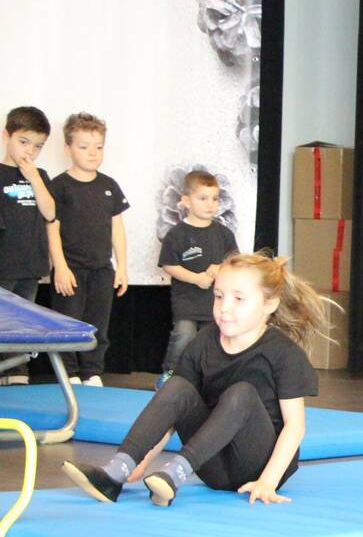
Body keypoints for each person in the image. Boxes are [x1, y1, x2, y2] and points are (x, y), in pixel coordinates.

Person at [63, 251, 325, 507]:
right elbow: (172, 409)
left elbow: (294, 427)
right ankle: (116, 472)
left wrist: (268, 481)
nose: (224, 308)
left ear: (270, 304)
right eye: (219, 296)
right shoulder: (203, 342)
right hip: (213, 466)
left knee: (242, 393)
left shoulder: (284, 352)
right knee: (177, 386)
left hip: (259, 464)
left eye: (238, 299)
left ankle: (175, 472)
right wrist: (142, 459)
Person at [47, 112, 129, 385]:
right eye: (84, 146)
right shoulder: (59, 186)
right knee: (67, 322)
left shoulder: (109, 186)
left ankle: (92, 371)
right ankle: (69, 373)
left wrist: (122, 267)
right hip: (71, 269)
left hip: (102, 269)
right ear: (68, 148)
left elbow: (117, 229)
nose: (93, 153)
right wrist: (60, 267)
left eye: (99, 147)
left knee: (98, 324)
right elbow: (52, 229)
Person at [157, 170, 239, 388]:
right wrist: (195, 278)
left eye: (214, 199)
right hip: (187, 301)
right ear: (186, 201)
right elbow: (169, 265)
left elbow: (234, 261)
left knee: (213, 341)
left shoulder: (224, 234)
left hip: (215, 302)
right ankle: (170, 373)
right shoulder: (177, 234)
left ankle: (207, 379)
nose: (210, 204)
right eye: (203, 198)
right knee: (183, 336)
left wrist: (220, 267)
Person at [0, 107, 56, 386]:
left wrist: (34, 178)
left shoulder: (40, 176)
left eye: (38, 146)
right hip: (4, 264)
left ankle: (17, 372)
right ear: (6, 135)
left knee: (22, 321)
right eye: (23, 142)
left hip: (30, 265)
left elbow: (50, 213)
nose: (30, 151)